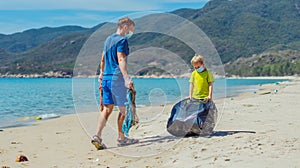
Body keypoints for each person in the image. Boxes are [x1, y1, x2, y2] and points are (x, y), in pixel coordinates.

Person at [91, 17, 139, 149]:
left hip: (106, 78)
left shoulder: (108, 40)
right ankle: (121, 138)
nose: (131, 32)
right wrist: (126, 78)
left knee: (107, 109)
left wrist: (101, 74)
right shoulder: (122, 40)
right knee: (124, 109)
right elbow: (121, 59)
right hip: (116, 79)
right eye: (131, 29)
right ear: (125, 27)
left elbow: (102, 59)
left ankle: (97, 136)